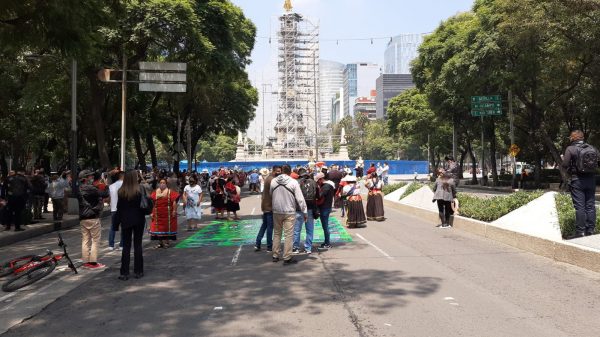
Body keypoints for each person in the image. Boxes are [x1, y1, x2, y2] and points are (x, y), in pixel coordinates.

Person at [562, 130, 599, 238]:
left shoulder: (570, 149)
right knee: (590, 206)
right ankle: (590, 231)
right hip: (591, 180)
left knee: (580, 207)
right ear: (582, 138)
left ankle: (580, 232)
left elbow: (565, 164)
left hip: (577, 180)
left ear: (573, 138)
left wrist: (569, 171)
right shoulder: (592, 148)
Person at [270, 164, 307, 265]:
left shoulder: (274, 181)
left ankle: (275, 255)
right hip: (289, 211)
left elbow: (270, 194)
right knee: (288, 235)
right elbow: (300, 199)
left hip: (276, 210)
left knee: (277, 233)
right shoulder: (293, 182)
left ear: (281, 171)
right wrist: (305, 211)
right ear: (290, 172)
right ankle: (287, 257)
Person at [114, 170, 146, 280]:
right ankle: (138, 271)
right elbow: (145, 204)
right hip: (139, 219)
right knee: (138, 245)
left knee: (126, 246)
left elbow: (119, 209)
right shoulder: (140, 189)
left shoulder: (121, 191)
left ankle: (124, 272)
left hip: (125, 220)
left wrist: (115, 224)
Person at [78, 170, 108, 269]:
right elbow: (105, 194)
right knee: (95, 240)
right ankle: (93, 262)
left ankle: (85, 262)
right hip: (93, 216)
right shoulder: (91, 188)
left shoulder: (79, 188)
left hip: (83, 217)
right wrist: (106, 184)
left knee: (85, 240)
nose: (92, 178)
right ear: (86, 178)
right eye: (90, 177)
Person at [255, 166, 280, 252]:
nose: (279, 173)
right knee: (270, 227)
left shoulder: (269, 179)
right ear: (273, 171)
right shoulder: (272, 180)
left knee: (264, 225)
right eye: (277, 171)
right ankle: (269, 246)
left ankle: (258, 243)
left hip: (265, 205)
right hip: (269, 206)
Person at [293, 169, 317, 254]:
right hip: (310, 208)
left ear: (299, 175)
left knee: (297, 230)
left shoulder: (296, 182)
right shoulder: (313, 182)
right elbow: (318, 195)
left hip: (299, 208)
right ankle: (308, 248)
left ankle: (296, 248)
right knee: (310, 229)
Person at [150, 178, 179, 248]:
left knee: (166, 228)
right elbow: (152, 203)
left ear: (166, 184)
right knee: (157, 228)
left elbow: (174, 202)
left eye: (163, 183)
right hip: (157, 214)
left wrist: (174, 210)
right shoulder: (155, 192)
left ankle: (167, 242)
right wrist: (151, 212)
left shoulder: (170, 192)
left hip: (167, 213)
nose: (162, 184)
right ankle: (160, 243)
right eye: (161, 183)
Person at [316, 172, 335, 249]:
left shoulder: (326, 186)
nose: (317, 182)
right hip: (326, 207)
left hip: (325, 208)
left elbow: (320, 196)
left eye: (318, 181)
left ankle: (327, 243)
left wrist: (317, 191)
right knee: (325, 226)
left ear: (321, 179)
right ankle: (326, 242)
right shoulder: (327, 186)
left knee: (325, 226)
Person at [108, 171, 124, 251]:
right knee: (124, 227)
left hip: (114, 209)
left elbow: (109, 199)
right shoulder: (126, 185)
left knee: (113, 227)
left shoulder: (111, 186)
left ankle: (111, 245)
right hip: (123, 209)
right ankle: (122, 245)